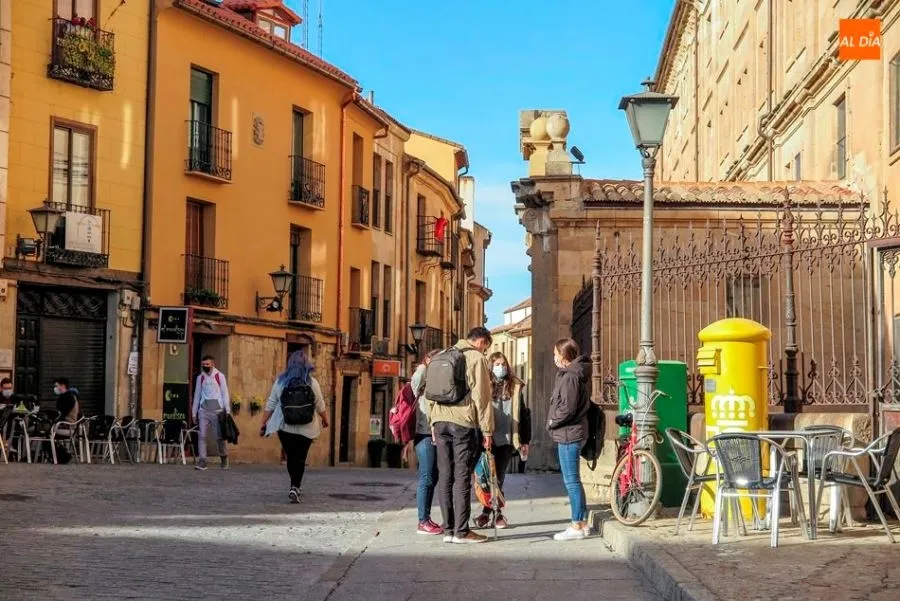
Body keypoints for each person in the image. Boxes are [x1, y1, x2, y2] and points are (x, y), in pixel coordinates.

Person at [430, 327, 494, 544]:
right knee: (462, 476)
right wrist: (487, 430)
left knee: (445, 476)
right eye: (486, 346)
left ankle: (448, 530)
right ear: (482, 342)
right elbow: (482, 398)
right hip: (462, 422)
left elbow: (430, 392)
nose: (485, 351)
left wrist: (432, 421)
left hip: (439, 422)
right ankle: (462, 531)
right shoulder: (476, 358)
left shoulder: (441, 355)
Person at [260, 350, 329, 503]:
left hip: (285, 426)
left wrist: (263, 422)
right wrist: (325, 419)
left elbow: (271, 404)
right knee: (301, 457)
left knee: (291, 456)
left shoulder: (280, 382)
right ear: (307, 365)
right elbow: (320, 404)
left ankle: (294, 484)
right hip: (307, 427)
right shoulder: (312, 382)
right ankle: (295, 486)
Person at [473, 351, 530, 530]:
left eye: (503, 363)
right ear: (490, 366)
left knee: (498, 479)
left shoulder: (514, 386)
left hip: (506, 438)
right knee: (484, 478)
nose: (501, 367)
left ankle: (493, 515)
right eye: (497, 364)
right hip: (486, 438)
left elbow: (524, 413)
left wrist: (525, 439)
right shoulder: (484, 386)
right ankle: (488, 513)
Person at [548, 338, 591, 541]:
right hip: (570, 432)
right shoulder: (572, 374)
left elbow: (568, 408)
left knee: (571, 480)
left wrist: (552, 421)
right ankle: (581, 521)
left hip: (568, 433)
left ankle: (577, 524)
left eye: (556, 353)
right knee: (573, 479)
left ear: (564, 356)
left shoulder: (570, 377)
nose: (554, 357)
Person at [409, 349, 443, 535]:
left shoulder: (435, 380)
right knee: (427, 476)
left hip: (434, 433)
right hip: (424, 433)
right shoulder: (422, 376)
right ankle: (422, 521)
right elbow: (414, 385)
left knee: (434, 476)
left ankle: (426, 518)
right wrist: (425, 364)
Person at [191, 355, 231, 471]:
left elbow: (225, 393)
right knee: (202, 436)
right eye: (203, 365)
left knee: (219, 437)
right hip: (204, 410)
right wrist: (194, 413)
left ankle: (223, 456)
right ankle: (202, 461)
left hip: (217, 411)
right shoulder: (200, 378)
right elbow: (197, 395)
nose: (205, 367)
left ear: (213, 364)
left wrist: (227, 410)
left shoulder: (220, 376)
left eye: (207, 364)